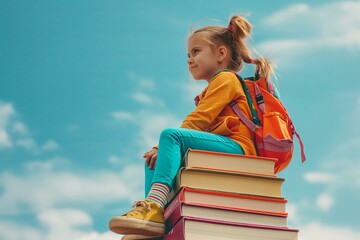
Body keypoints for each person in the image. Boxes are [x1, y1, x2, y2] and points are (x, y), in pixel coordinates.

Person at [109, 14, 274, 240]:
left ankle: (155, 206)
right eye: (188, 55)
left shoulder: (226, 79)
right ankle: (152, 224)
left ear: (221, 54)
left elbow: (200, 118)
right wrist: (158, 150)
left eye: (196, 52)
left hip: (239, 147)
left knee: (171, 137)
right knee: (153, 160)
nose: (189, 59)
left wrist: (162, 144)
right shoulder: (215, 85)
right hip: (224, 144)